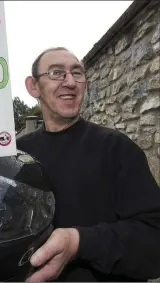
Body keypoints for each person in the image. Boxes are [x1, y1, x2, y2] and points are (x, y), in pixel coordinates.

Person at [16, 47, 160, 282]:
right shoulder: (18, 155)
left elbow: (154, 239)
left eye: (77, 73)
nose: (70, 82)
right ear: (33, 86)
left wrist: (79, 242)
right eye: (56, 73)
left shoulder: (116, 148)